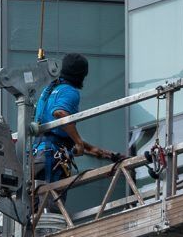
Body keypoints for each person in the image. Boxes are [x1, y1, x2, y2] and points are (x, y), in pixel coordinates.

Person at [31, 53, 121, 183]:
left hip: (37, 155)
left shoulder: (48, 90)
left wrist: (89, 148)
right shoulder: (69, 91)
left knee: (36, 200)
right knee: (50, 201)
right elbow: (60, 114)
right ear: (81, 76)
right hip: (51, 156)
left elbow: (55, 131)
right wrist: (78, 142)